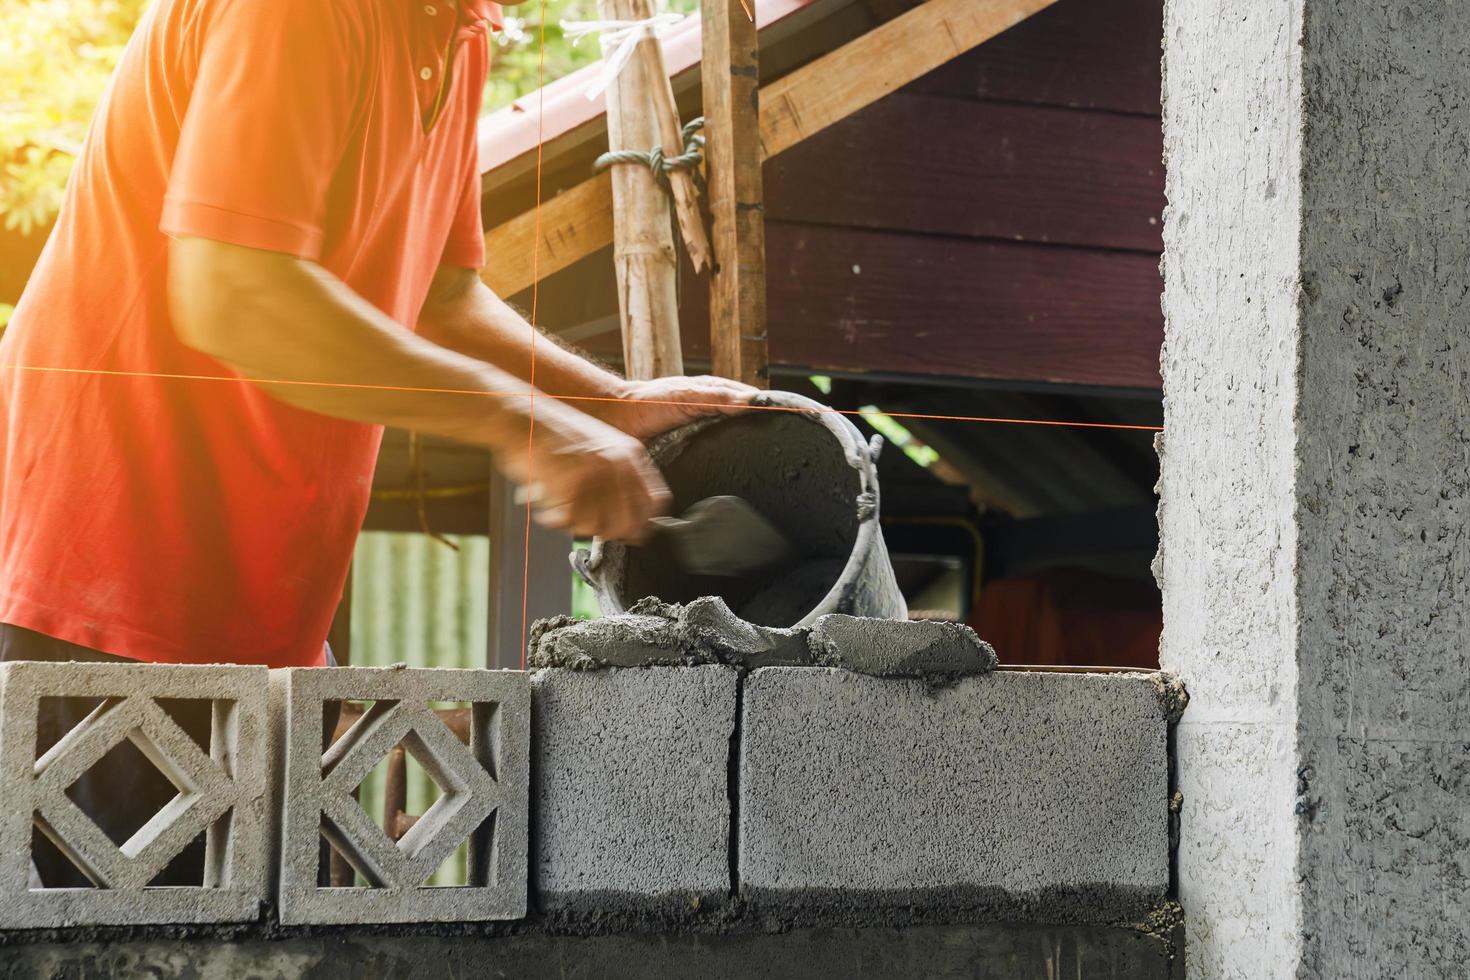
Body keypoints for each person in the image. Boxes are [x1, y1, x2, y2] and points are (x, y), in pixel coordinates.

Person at [0, 0, 754, 885]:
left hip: (267, 614)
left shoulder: (458, 33)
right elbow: (231, 292)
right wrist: (527, 426)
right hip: (103, 593)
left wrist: (608, 402)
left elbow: (440, 296)